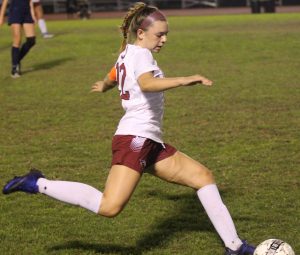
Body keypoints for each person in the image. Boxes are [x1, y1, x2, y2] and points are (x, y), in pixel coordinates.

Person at [2, 2, 256, 254]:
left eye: (166, 34)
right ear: (142, 33)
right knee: (109, 206)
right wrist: (185, 79)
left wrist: (104, 85)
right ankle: (38, 183)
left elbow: (115, 73)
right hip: (136, 139)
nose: (164, 39)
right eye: (160, 34)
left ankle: (235, 247)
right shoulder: (142, 55)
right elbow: (146, 83)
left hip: (149, 141)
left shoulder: (128, 53)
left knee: (203, 177)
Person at [0, 0, 36, 78]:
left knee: (31, 40)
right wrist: (1, 16)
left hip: (27, 12)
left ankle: (16, 61)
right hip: (15, 12)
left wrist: (33, 14)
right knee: (17, 40)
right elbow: (5, 1)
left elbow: (30, 1)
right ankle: (14, 69)